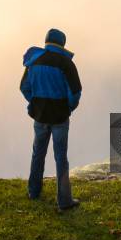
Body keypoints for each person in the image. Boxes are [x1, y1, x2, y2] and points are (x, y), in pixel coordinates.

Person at [20, 28, 82, 210]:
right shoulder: (66, 63)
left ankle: (33, 191)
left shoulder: (34, 61)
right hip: (60, 117)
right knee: (60, 157)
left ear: (46, 42)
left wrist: (36, 101)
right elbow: (75, 93)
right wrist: (68, 107)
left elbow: (24, 87)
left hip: (40, 116)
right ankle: (64, 201)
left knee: (37, 153)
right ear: (62, 43)